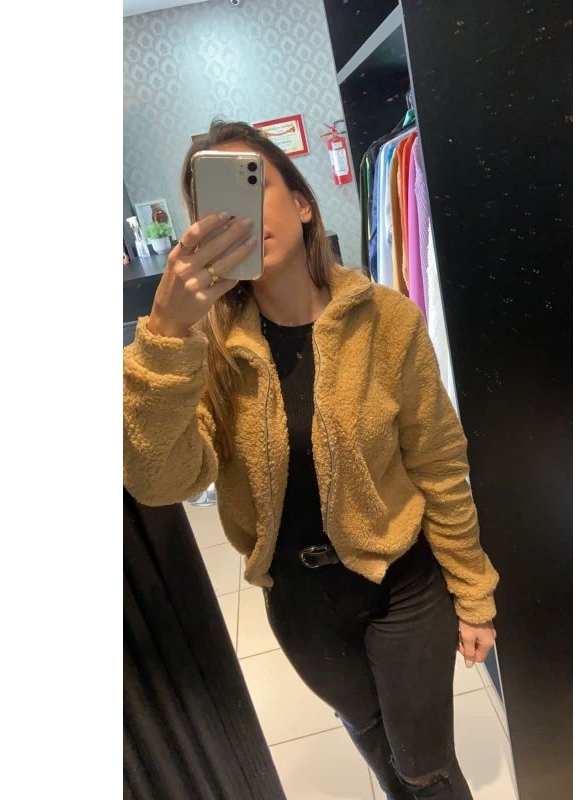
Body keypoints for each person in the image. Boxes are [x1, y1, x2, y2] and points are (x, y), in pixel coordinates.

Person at [123, 119, 500, 799]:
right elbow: (161, 480)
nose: (236, 214)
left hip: (401, 584)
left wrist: (473, 592)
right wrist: (167, 332)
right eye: (215, 203)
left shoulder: (387, 320)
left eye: (254, 184)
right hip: (301, 606)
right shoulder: (206, 348)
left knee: (424, 764)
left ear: (301, 202)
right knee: (378, 746)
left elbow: (440, 465)